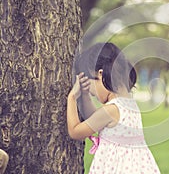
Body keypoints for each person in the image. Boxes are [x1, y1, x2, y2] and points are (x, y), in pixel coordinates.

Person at [67, 42, 160, 174]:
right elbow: (93, 119)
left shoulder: (111, 110)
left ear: (100, 74)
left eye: (91, 85)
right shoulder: (129, 104)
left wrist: (71, 98)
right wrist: (86, 95)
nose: (92, 92)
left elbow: (75, 132)